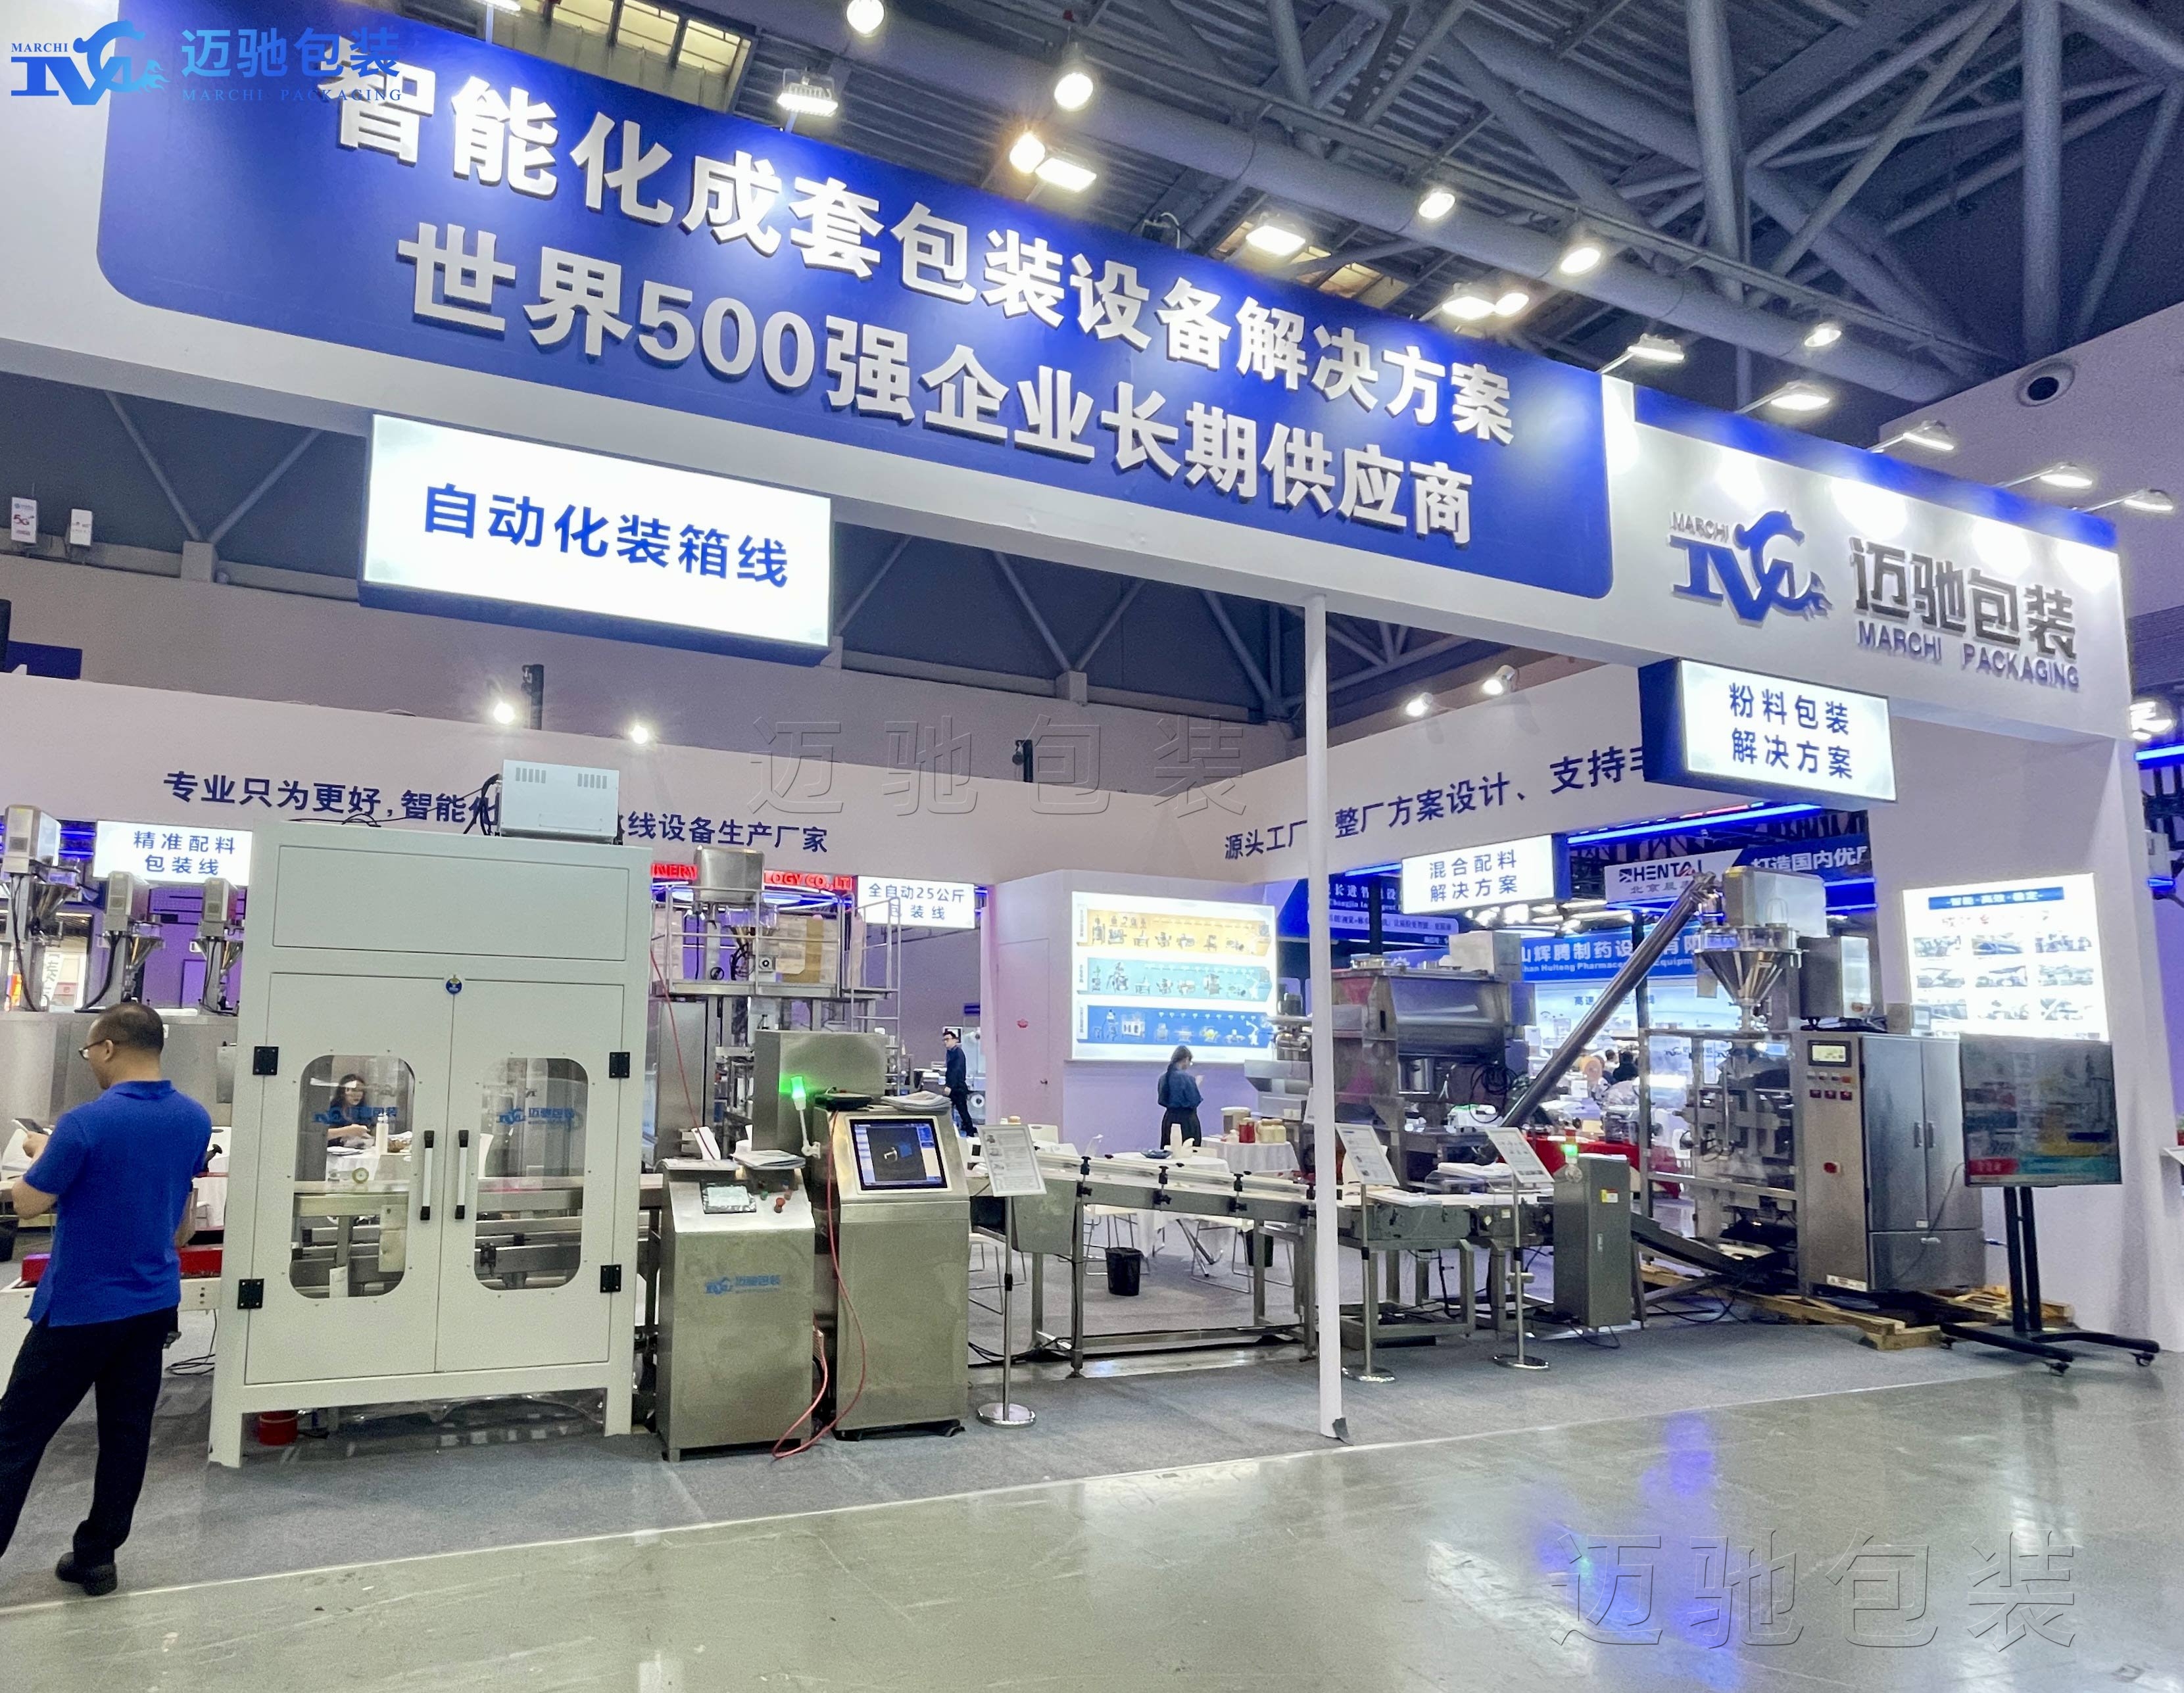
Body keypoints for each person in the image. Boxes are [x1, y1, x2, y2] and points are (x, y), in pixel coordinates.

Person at [0, 1002, 213, 1598]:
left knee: (15, 1434)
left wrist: (41, 1153)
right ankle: (97, 1558)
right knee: (126, 1433)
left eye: (89, 1051)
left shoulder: (84, 1123)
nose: (90, 1061)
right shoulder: (194, 1119)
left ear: (109, 1047)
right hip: (151, 1304)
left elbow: (29, 1202)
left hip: (81, 1307)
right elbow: (181, 1223)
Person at [1156, 1046, 1203, 1152]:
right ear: (1186, 1059)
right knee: (1189, 1152)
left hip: (1169, 1121)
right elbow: (1194, 1101)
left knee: (1169, 1151)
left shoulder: (1163, 1078)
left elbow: (1163, 1099)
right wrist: (1196, 1085)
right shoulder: (1187, 1078)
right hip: (1187, 1122)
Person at [940, 1030, 973, 1135]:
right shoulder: (951, 1053)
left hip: (958, 1088)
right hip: (954, 1087)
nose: (945, 1042)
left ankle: (970, 1133)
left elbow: (956, 1070)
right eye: (944, 1040)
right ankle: (950, 1132)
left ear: (955, 1040)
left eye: (948, 1039)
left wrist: (950, 1086)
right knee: (951, 1110)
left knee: (962, 1111)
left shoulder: (958, 1053)